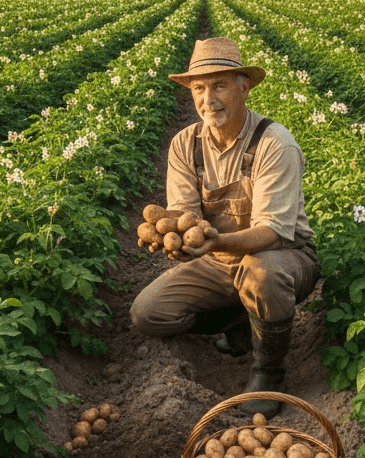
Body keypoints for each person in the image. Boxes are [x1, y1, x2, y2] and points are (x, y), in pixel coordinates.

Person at [129, 37, 320, 417]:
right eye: (199, 88)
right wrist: (179, 240)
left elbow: (272, 231)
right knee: (148, 313)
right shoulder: (186, 144)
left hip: (283, 257)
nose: (207, 98)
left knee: (260, 272)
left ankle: (269, 373)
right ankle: (240, 320)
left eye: (219, 85)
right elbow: (183, 214)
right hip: (219, 259)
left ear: (243, 86)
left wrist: (216, 240)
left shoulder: (273, 143)